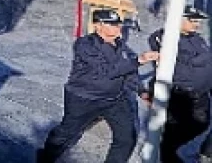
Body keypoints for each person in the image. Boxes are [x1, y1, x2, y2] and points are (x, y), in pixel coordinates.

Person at [37, 9, 159, 163]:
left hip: (114, 100)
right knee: (66, 133)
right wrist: (139, 60)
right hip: (84, 99)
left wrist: (142, 91)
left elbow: (126, 72)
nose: (118, 28)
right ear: (98, 26)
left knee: (126, 138)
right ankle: (46, 157)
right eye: (112, 25)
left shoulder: (119, 44)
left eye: (118, 24)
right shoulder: (84, 45)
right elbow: (107, 70)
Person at [143, 7, 212, 163]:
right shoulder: (164, 37)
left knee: (201, 126)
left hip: (201, 95)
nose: (196, 24)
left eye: (198, 21)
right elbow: (179, 61)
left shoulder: (197, 39)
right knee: (173, 137)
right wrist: (199, 60)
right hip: (181, 95)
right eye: (192, 20)